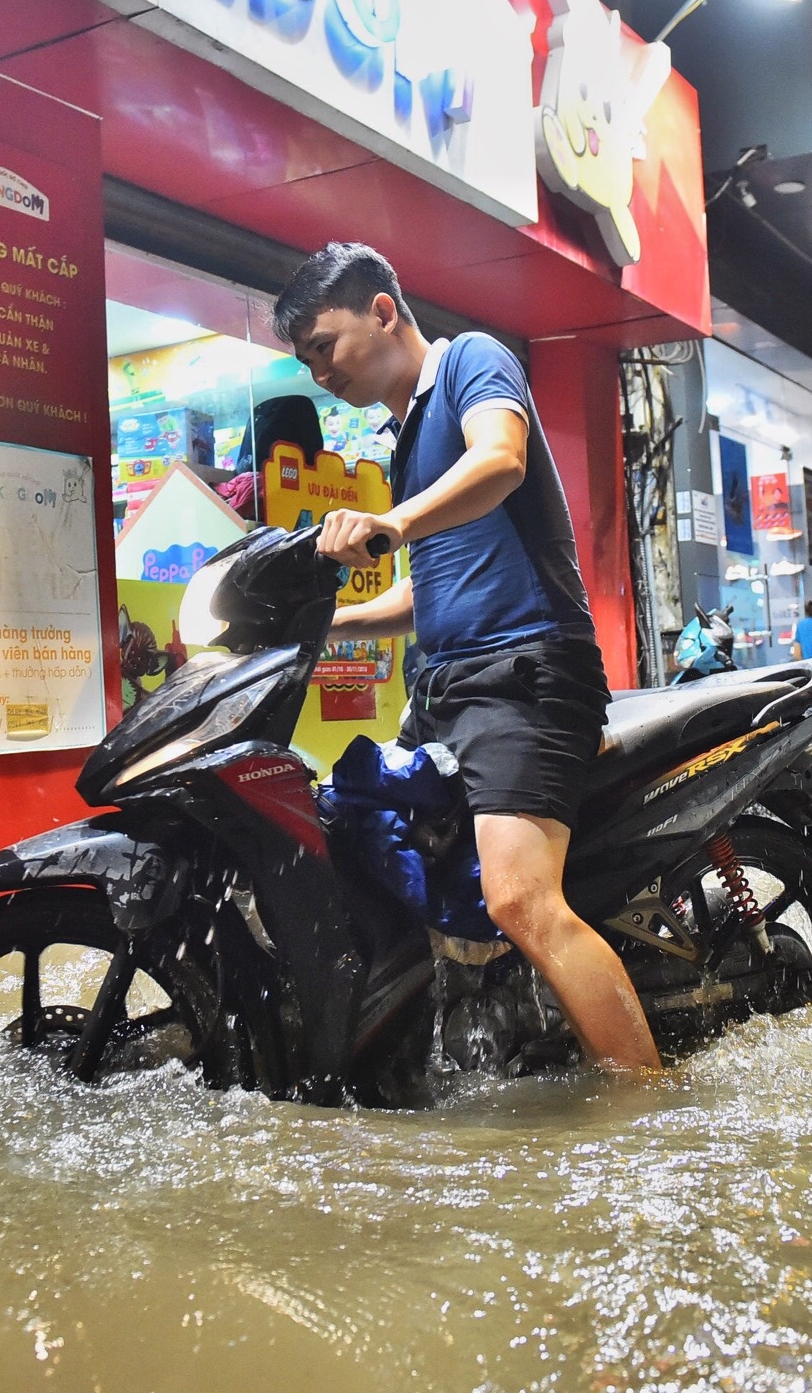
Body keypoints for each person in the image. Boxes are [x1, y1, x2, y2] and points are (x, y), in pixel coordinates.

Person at [274, 242, 661, 1071]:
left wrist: (396, 523)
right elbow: (427, 590)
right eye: (304, 359)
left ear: (382, 310)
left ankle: (648, 1110)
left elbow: (500, 461)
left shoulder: (470, 365)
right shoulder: (400, 437)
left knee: (521, 899)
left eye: (323, 347)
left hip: (526, 672)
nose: (318, 373)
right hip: (445, 687)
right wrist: (323, 628)